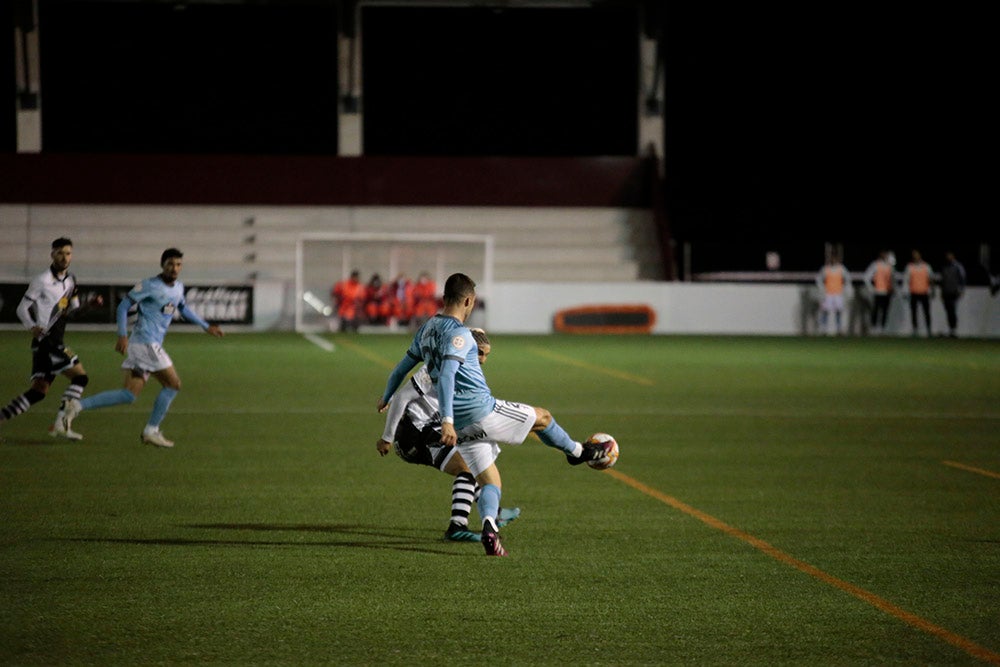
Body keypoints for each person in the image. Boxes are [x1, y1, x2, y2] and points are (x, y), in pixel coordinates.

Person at [377, 273, 609, 557]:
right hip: (480, 411)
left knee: (489, 481)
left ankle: (490, 528)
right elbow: (448, 375)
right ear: (468, 301)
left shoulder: (425, 330)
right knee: (543, 418)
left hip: (462, 427)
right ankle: (576, 452)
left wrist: (386, 395)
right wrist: (446, 419)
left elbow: (401, 368)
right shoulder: (460, 335)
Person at [61, 248, 224, 447]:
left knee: (129, 395)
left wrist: (206, 326)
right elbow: (123, 307)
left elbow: (182, 308)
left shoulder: (179, 287)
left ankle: (75, 406)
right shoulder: (149, 285)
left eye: (178, 264)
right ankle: (151, 430)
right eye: (170, 264)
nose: (174, 268)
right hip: (146, 343)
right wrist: (122, 335)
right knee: (173, 385)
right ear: (162, 265)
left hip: (146, 346)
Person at [376, 328, 520, 542]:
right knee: (468, 466)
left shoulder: (464, 369)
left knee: (474, 460)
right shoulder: (436, 367)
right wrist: (387, 438)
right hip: (416, 434)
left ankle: (494, 513)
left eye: (486, 355)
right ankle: (457, 527)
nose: (483, 360)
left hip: (432, 428)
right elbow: (401, 399)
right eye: (480, 352)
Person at [1, 237, 101, 441]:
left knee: (38, 392)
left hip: (52, 343)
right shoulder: (42, 280)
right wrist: (32, 326)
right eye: (60, 253)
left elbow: (72, 311)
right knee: (81, 378)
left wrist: (89, 305)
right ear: (52, 255)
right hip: (48, 342)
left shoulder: (71, 280)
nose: (64, 257)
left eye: (68, 253)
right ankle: (61, 423)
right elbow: (22, 308)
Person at [815, 251, 851, 336]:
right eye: (832, 259)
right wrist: (822, 288)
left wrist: (845, 288)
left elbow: (848, 279)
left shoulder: (841, 268)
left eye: (835, 259)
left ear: (837, 260)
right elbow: (819, 279)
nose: (833, 260)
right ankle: (824, 329)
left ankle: (839, 329)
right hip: (828, 293)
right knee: (825, 311)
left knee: (838, 311)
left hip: (838, 293)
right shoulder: (826, 268)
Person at [863, 250, 895, 335]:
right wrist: (871, 289)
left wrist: (892, 288)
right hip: (878, 291)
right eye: (884, 254)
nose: (886, 256)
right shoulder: (875, 264)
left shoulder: (890, 266)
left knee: (885, 311)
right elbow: (866, 277)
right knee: (876, 310)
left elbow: (892, 279)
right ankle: (873, 328)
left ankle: (882, 329)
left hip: (887, 292)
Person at [902, 249, 933, 337]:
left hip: (924, 292)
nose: (915, 256)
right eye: (914, 255)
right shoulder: (909, 267)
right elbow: (906, 280)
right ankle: (915, 330)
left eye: (917, 254)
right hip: (914, 292)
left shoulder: (926, 266)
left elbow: (930, 279)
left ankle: (929, 330)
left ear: (920, 255)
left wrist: (931, 290)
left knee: (926, 312)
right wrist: (905, 291)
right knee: (914, 312)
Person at [938, 251, 966, 338]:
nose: (948, 257)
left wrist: (961, 290)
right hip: (946, 292)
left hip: (954, 292)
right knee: (948, 311)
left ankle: (954, 330)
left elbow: (962, 278)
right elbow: (942, 280)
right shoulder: (944, 267)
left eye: (950, 255)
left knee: (952, 310)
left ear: (953, 256)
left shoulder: (958, 266)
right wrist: (942, 292)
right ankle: (951, 329)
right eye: (947, 255)